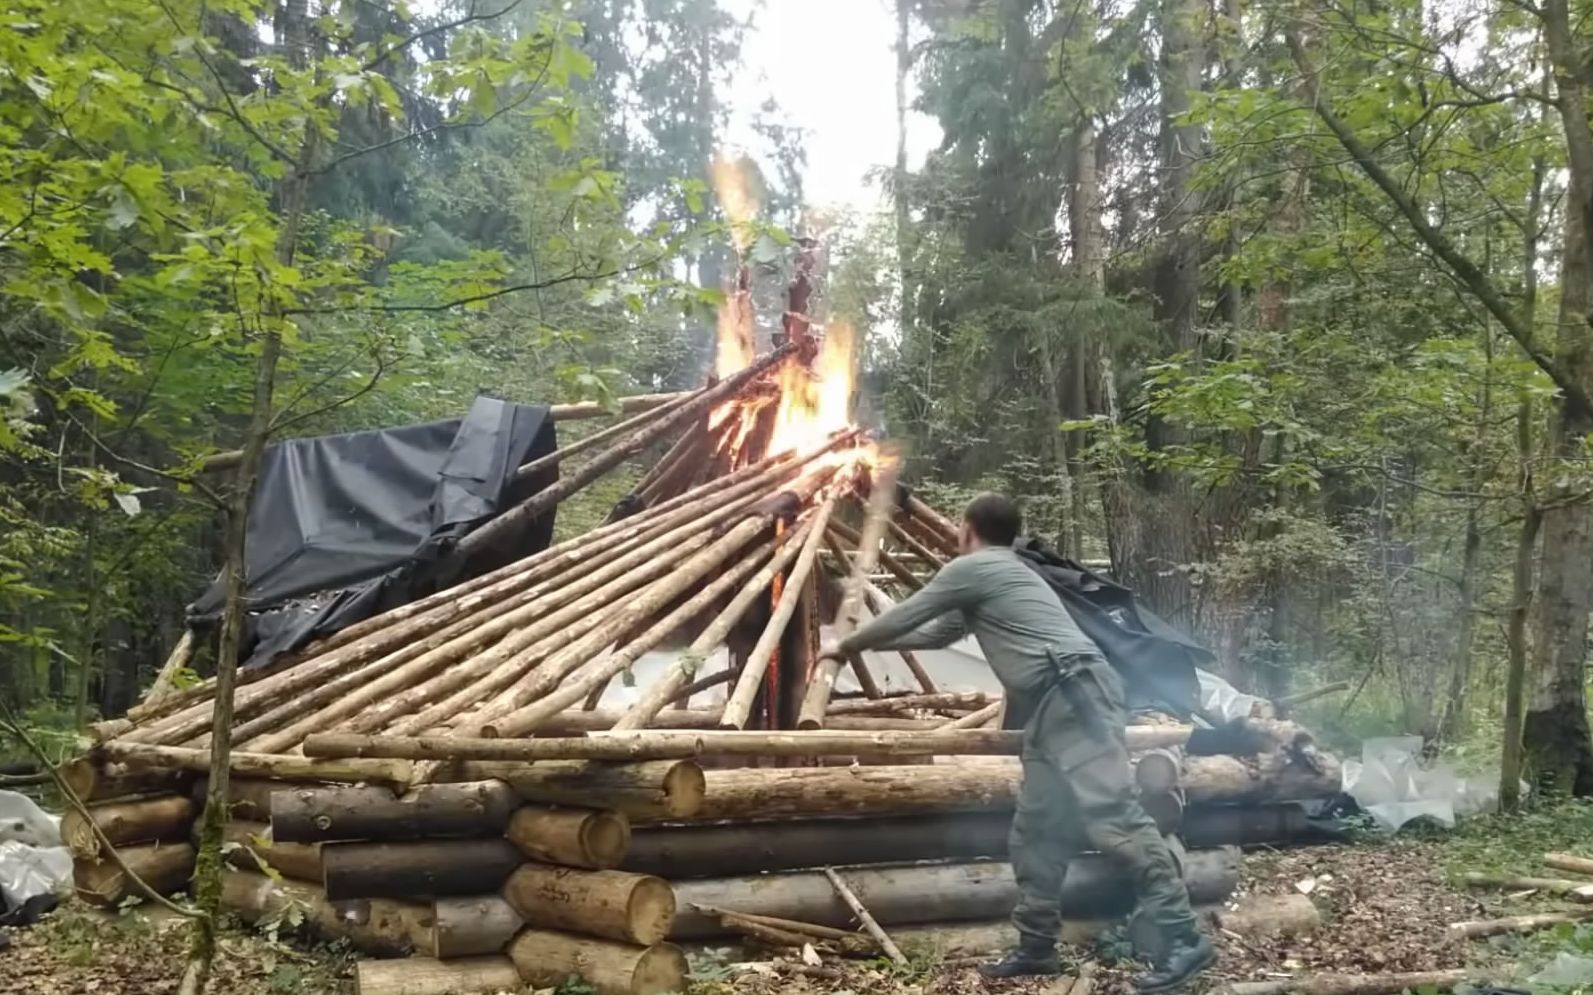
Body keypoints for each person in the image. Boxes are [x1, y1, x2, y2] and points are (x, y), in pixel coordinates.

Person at [818, 493, 1215, 991]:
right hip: (1056, 705)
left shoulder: (977, 567)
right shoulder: (997, 575)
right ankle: (1037, 948)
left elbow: (911, 612)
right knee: (1038, 829)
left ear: (967, 530)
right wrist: (857, 638)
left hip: (1076, 694)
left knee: (1115, 819)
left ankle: (1184, 941)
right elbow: (939, 631)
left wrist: (844, 643)